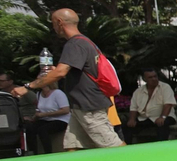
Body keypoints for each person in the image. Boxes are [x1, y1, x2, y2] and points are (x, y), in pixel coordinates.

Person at [21, 8, 122, 151]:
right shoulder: (85, 42)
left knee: (112, 145)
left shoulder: (75, 44)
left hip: (89, 105)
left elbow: (60, 73)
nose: (53, 27)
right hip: (81, 105)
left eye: (53, 23)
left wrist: (28, 86)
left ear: (59, 22)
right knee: (72, 146)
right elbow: (68, 70)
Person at [127, 68, 177, 143]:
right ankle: (127, 149)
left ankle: (161, 148)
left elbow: (168, 104)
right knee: (127, 126)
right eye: (150, 77)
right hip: (145, 118)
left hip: (165, 117)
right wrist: (132, 119)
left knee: (162, 125)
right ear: (144, 79)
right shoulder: (138, 92)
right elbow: (133, 108)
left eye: (155, 76)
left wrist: (162, 117)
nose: (154, 79)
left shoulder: (165, 87)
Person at [30, 80, 69, 153]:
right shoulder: (38, 94)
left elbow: (65, 110)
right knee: (31, 128)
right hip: (46, 119)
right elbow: (38, 110)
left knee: (43, 130)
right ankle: (33, 151)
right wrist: (34, 117)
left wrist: (44, 114)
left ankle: (48, 152)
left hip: (61, 119)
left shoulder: (58, 93)